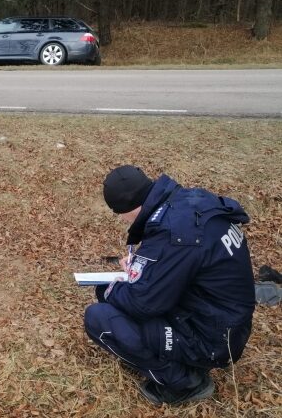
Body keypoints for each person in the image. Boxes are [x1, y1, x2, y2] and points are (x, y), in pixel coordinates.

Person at [84, 165, 255, 406]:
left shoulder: (175, 234)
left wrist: (109, 289)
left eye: (119, 214)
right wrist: (141, 268)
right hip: (226, 321)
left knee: (98, 316)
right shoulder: (186, 203)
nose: (122, 220)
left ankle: (184, 382)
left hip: (213, 339)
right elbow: (181, 265)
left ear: (125, 209)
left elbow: (142, 303)